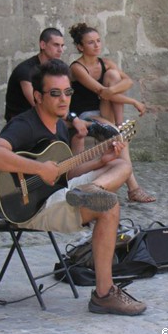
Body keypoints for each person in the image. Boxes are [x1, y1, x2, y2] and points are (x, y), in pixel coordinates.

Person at [0, 59, 147, 316]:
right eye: (55, 93)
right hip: (32, 206)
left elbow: (63, 173)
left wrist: (99, 160)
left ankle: (93, 188)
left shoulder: (59, 124)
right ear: (38, 96)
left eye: (68, 92)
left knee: (122, 167)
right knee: (108, 205)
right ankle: (104, 294)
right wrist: (37, 168)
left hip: (60, 192)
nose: (64, 99)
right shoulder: (25, 124)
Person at [68, 22, 155, 203]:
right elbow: (101, 91)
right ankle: (134, 188)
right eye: (91, 42)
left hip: (104, 109)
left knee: (114, 76)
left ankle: (119, 125)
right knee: (117, 135)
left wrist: (111, 91)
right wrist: (133, 101)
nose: (97, 45)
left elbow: (127, 81)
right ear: (80, 47)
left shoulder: (106, 63)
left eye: (98, 41)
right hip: (84, 115)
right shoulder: (77, 67)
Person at [4, 28, 116, 147]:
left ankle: (98, 131)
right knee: (67, 120)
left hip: (49, 115)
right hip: (25, 122)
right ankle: (93, 126)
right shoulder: (26, 71)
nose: (60, 50)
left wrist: (73, 118)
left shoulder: (56, 69)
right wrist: (75, 120)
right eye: (56, 45)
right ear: (43, 45)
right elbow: (39, 103)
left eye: (62, 46)